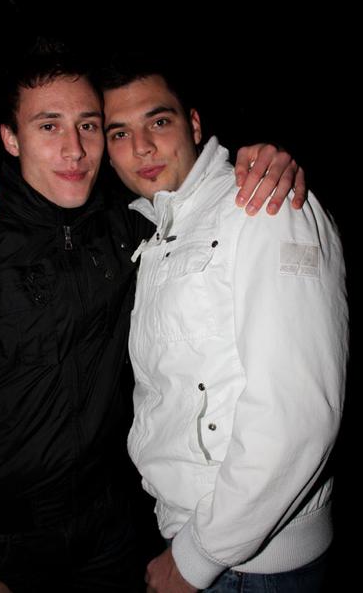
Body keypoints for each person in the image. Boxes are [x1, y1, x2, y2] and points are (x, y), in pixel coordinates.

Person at [0, 44, 307, 593]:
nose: (74, 150)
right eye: (49, 126)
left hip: (113, 530)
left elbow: (192, 198)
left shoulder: (131, 230)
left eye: (89, 126)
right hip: (8, 544)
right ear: (11, 138)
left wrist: (263, 159)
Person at [99, 54, 347, 592]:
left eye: (158, 121)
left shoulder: (263, 203)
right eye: (120, 133)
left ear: (193, 124)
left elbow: (297, 410)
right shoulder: (156, 229)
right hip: (197, 539)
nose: (142, 147)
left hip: (246, 566)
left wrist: (196, 557)